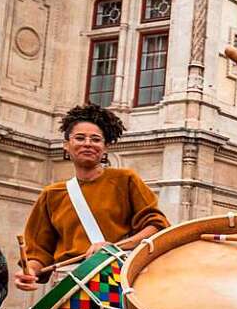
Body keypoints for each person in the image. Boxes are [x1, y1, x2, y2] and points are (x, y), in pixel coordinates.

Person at [14, 104, 169, 291]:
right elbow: (39, 251)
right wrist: (29, 271)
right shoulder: (51, 195)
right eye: (79, 138)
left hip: (116, 280)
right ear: (66, 145)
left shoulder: (126, 180)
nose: (87, 143)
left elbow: (157, 227)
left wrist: (112, 248)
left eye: (95, 139)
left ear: (105, 148)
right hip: (67, 285)